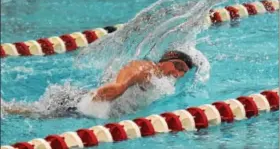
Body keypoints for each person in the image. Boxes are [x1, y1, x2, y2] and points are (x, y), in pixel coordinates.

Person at [2, 50, 194, 117]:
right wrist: (97, 102)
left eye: (182, 72)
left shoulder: (158, 82)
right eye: (176, 65)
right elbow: (121, 84)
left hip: (84, 99)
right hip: (76, 102)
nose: (176, 73)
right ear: (165, 60)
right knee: (32, 112)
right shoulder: (146, 69)